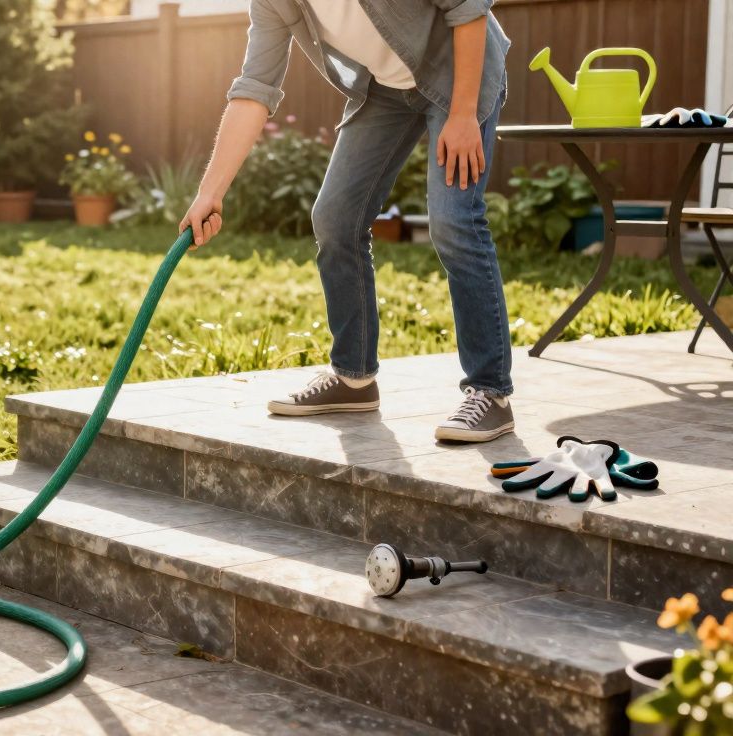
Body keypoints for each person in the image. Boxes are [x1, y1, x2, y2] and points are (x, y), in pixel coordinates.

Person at [180, 0, 514, 443]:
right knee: (336, 219)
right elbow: (255, 86)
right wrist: (210, 192)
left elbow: (468, 7)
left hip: (458, 72)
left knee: (454, 220)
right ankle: (353, 378)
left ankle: (490, 392)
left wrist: (463, 114)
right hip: (387, 90)